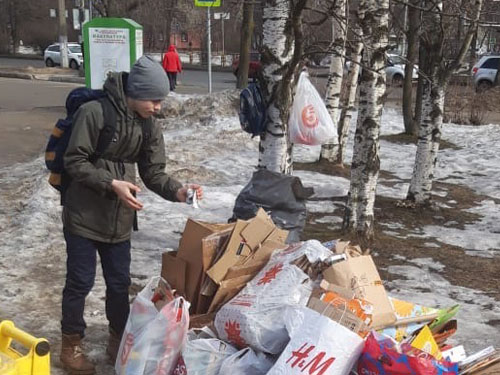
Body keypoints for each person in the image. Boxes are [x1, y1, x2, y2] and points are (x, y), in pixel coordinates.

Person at [59, 55, 202, 374]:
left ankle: (117, 339)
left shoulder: (148, 125)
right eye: (154, 100)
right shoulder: (93, 113)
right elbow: (74, 162)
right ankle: (71, 345)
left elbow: (153, 173)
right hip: (83, 214)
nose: (158, 107)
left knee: (119, 283)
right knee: (79, 283)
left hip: (119, 220)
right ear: (135, 92)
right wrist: (111, 184)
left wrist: (178, 191)